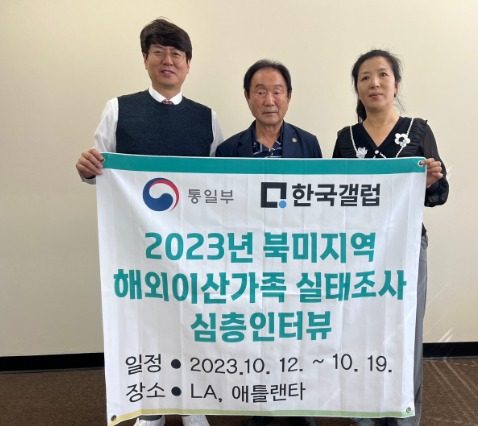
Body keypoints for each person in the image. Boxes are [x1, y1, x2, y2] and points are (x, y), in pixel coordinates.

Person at [75, 18, 224, 426]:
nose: (168, 60)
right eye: (159, 52)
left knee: (193, 321)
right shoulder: (118, 109)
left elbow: (218, 184)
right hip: (136, 242)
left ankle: (193, 403)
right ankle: (152, 407)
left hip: (193, 245)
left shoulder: (207, 118)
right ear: (145, 59)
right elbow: (100, 170)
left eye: (176, 54)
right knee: (146, 324)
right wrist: (86, 169)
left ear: (188, 64)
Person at [332, 49, 449, 426]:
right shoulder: (346, 139)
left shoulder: (418, 131)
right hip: (359, 251)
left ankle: (404, 417)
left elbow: (439, 194)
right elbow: (334, 200)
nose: (375, 83)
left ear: (396, 84)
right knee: (359, 329)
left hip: (406, 247)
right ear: (357, 88)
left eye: (383, 75)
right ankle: (364, 414)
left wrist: (430, 181)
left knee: (406, 332)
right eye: (365, 77)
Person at [216, 59, 321, 426]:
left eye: (277, 91)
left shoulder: (307, 144)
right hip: (249, 258)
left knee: (295, 331)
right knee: (256, 331)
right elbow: (218, 211)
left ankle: (298, 405)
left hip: (293, 256)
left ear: (289, 96)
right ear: (247, 97)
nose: (269, 100)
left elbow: (319, 205)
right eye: (260, 91)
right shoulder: (229, 149)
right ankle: (260, 403)